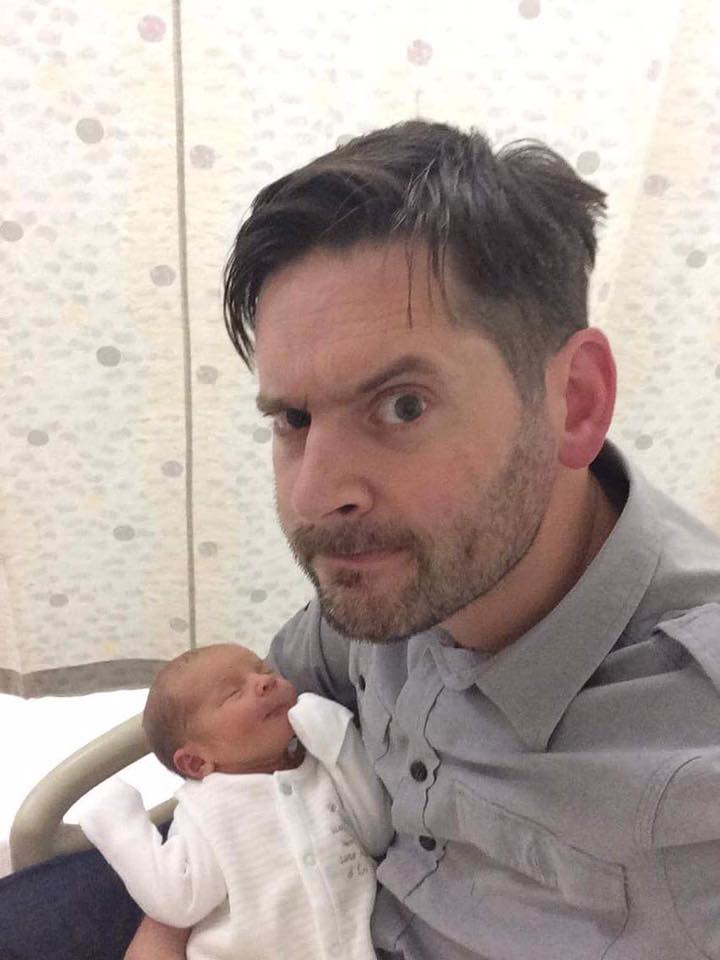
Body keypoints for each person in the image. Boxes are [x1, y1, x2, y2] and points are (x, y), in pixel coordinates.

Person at [1, 119, 719, 960]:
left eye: (402, 405)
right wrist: (170, 923)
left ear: (576, 401)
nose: (313, 496)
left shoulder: (691, 735)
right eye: (294, 418)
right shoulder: (402, 567)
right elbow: (274, 720)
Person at [78, 643, 392, 960]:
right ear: (196, 762)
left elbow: (377, 835)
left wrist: (339, 740)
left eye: (265, 670)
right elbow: (179, 900)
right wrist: (117, 821)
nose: (265, 681)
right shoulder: (207, 808)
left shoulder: (319, 770)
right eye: (233, 693)